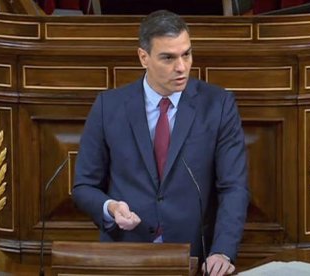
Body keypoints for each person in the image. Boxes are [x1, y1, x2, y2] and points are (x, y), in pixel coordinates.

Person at [72, 10, 249, 275]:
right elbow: (84, 185)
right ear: (143, 57)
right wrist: (110, 208)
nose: (181, 67)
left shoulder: (218, 105)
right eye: (168, 57)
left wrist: (222, 250)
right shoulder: (108, 107)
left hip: (195, 256)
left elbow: (233, 186)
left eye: (186, 54)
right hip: (126, 256)